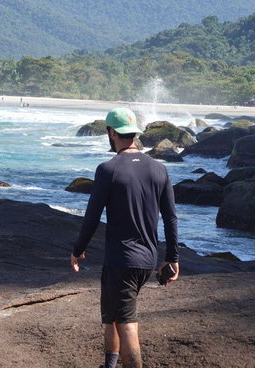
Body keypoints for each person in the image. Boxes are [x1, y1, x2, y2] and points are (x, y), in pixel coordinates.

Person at [72, 107, 179, 368]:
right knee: (111, 313)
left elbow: (92, 215)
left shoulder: (108, 169)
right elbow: (171, 217)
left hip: (123, 261)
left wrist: (78, 249)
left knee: (127, 323)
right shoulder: (158, 169)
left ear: (111, 133)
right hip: (144, 259)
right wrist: (172, 258)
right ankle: (109, 364)